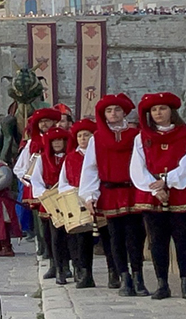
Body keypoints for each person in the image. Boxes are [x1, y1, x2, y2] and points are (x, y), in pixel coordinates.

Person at [79, 93, 148, 297]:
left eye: (117, 110)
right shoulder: (97, 138)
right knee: (115, 237)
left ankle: (138, 276)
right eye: (109, 111)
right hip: (109, 192)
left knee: (136, 235)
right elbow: (90, 167)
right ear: (104, 114)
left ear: (124, 112)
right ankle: (124, 277)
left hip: (133, 190)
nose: (113, 114)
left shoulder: (136, 134)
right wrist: (89, 194)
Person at [130, 92, 186, 299]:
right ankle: (162, 284)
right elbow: (138, 167)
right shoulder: (142, 137)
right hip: (152, 194)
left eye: (162, 108)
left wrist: (168, 181)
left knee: (183, 239)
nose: (158, 113)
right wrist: (156, 188)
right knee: (157, 240)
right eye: (154, 110)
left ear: (171, 111)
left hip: (181, 191)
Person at [59, 119, 118, 289]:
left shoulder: (102, 152)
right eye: (80, 135)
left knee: (108, 238)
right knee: (83, 240)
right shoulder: (70, 158)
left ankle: (113, 273)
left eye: (87, 135)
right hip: (80, 205)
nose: (83, 138)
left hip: (102, 201)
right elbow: (63, 182)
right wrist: (76, 191)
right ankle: (86, 274)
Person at [13, 107, 61, 276]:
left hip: (62, 190)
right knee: (46, 228)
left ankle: (70, 265)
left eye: (47, 120)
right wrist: (30, 183)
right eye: (41, 121)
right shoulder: (32, 144)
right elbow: (21, 168)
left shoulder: (62, 139)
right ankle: (53, 262)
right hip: (42, 190)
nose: (45, 124)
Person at [31, 127, 71, 285]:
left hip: (67, 199)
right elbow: (36, 180)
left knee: (70, 235)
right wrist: (44, 194)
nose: (57, 143)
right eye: (54, 140)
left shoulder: (70, 157)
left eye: (60, 140)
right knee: (53, 236)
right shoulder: (42, 159)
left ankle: (70, 265)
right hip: (50, 200)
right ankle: (58, 267)